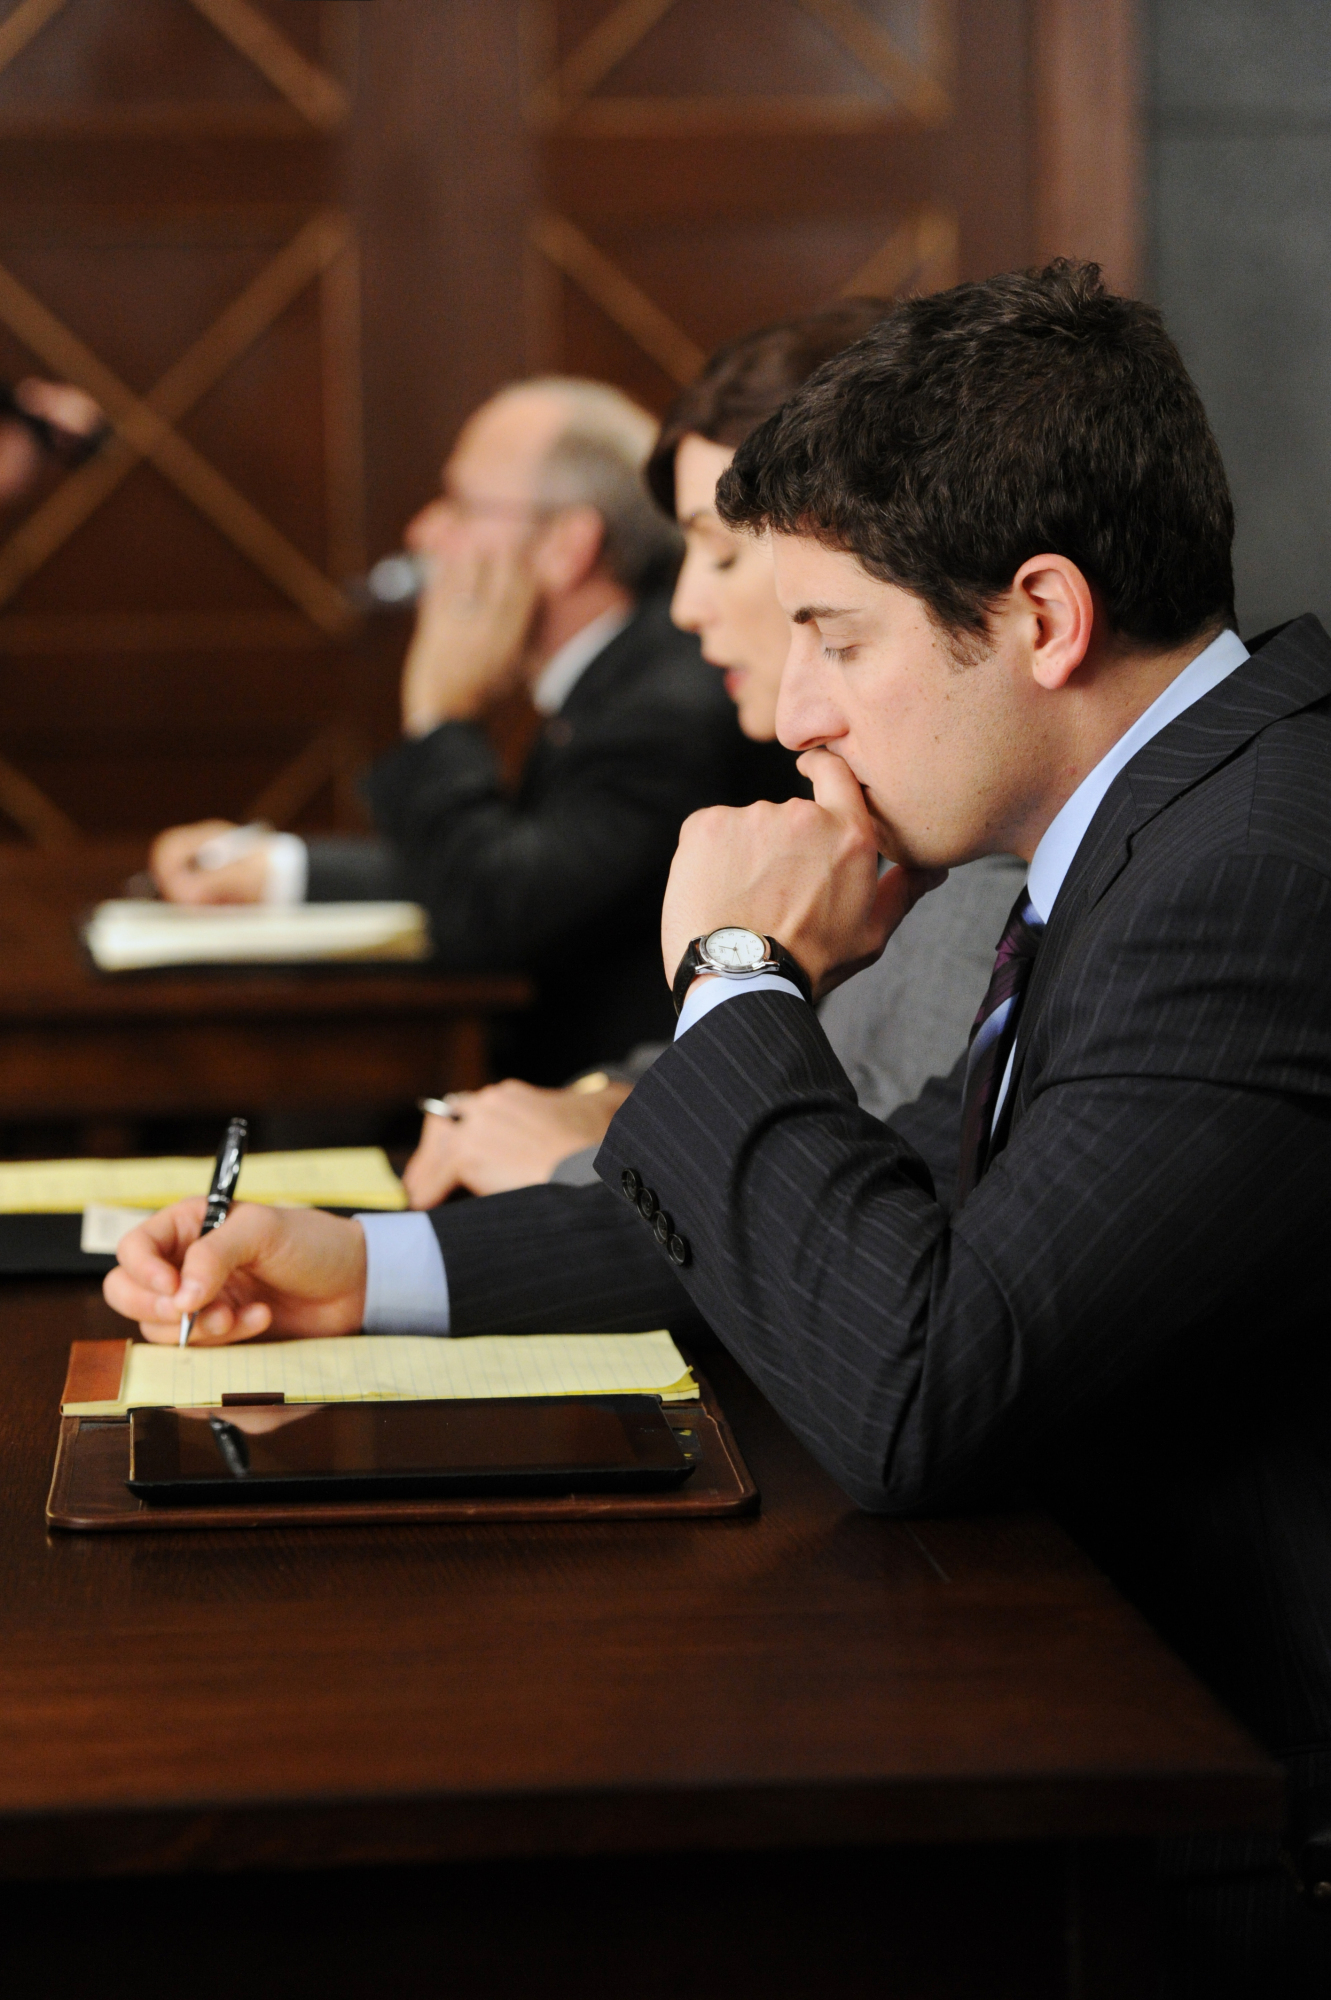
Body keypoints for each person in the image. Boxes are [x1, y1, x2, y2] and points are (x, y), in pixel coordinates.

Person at [108, 261, 1331, 1992]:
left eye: (832, 637)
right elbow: (900, 1189)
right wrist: (366, 1268)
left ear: (1043, 617)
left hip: (1226, 1843)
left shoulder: (1256, 875)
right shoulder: (1163, 831)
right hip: (1083, 1716)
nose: (786, 713)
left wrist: (740, 973)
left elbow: (917, 1388)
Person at [400, 306, 1024, 1206]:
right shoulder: (890, 797)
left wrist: (571, 1161)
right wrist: (604, 1106)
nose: (686, 607)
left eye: (724, 553)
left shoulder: (977, 824)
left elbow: (881, 1189)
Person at [149, 378, 789, 1083]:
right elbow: (527, 860)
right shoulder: (626, 669)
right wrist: (276, 872)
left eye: (461, 504)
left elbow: (493, 912)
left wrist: (438, 713)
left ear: (564, 546)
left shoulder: (665, 704)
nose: (425, 532)